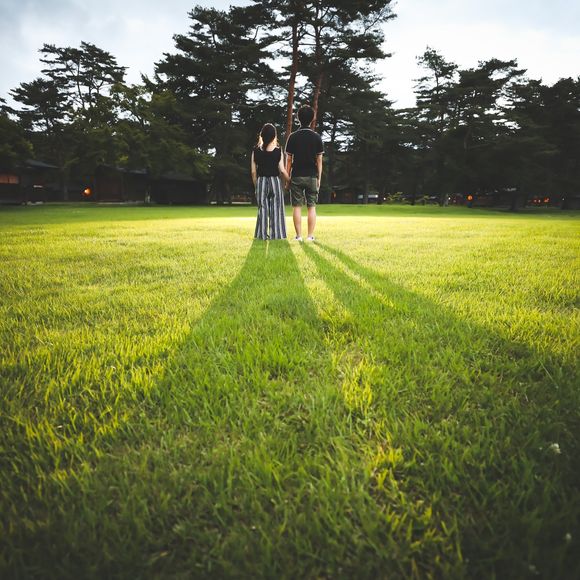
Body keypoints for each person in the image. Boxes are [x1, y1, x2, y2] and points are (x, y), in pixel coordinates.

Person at [285, 104, 324, 242]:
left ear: (298, 118)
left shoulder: (292, 137)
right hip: (312, 176)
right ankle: (310, 236)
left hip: (296, 175)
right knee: (311, 207)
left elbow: (289, 159)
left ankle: (298, 236)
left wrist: (287, 178)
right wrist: (319, 178)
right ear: (312, 119)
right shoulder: (317, 137)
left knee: (296, 207)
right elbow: (319, 160)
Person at [251, 123, 290, 240]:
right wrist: (289, 181)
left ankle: (262, 235)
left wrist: (256, 186)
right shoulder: (278, 150)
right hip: (275, 182)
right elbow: (282, 170)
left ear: (262, 136)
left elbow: (253, 172)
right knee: (276, 209)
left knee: (262, 209)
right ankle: (276, 235)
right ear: (274, 136)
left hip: (261, 181)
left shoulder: (255, 151)